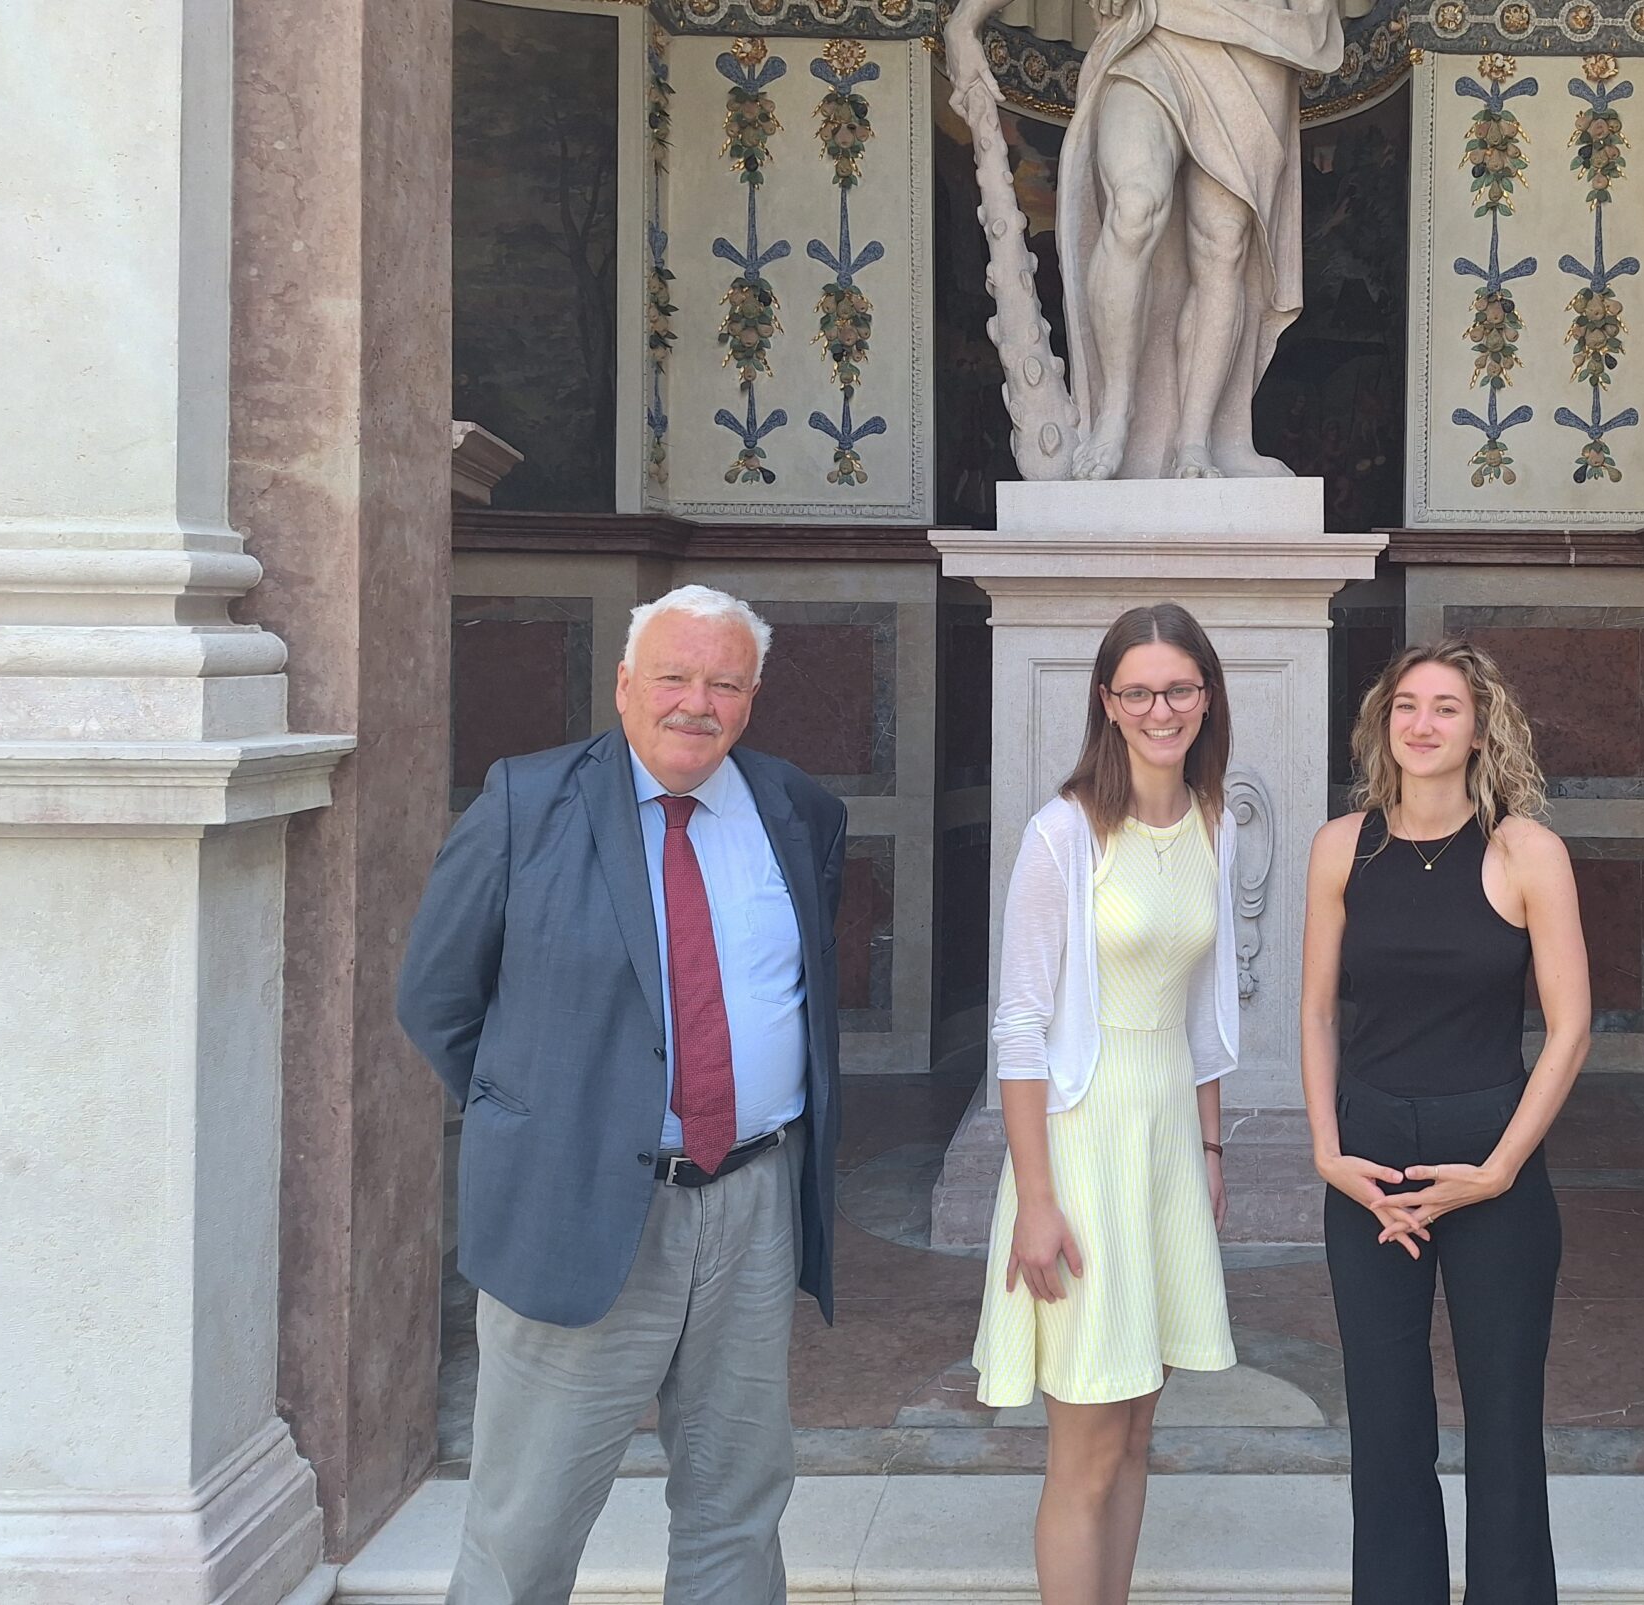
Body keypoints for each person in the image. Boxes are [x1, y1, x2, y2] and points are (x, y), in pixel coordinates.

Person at [396, 584, 851, 1605]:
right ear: (624, 684)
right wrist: (549, 1119)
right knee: (525, 1525)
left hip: (750, 1203)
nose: (697, 702)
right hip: (576, 1204)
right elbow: (437, 997)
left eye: (723, 683)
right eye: (675, 677)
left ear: (752, 695)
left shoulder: (797, 811)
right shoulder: (527, 802)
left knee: (737, 1505)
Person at [1300, 638, 1591, 1605]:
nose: (1423, 724)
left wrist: (1501, 1167)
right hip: (1368, 1162)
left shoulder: (1526, 851)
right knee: (1385, 1426)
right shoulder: (1341, 846)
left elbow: (1570, 1025)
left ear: (1480, 729)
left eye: (1446, 708)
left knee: (1505, 1423)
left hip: (1493, 1159)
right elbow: (1313, 1009)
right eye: (1406, 707)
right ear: (1385, 724)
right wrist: (1329, 1151)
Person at [971, 602, 1243, 1605]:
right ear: (1107, 703)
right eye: (1138, 691)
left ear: (1206, 698)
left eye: (1177, 688)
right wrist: (1035, 1200)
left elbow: (1206, 1012)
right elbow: (1019, 1027)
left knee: (1136, 1435)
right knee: (1085, 1443)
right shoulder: (1063, 832)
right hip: (1082, 1149)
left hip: (1165, 1139)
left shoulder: (1215, 819)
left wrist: (1211, 1152)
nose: (1159, 708)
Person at [942, 0, 1342, 480]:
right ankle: (1115, 412)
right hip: (1148, 31)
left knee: (1223, 244)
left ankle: (1196, 442)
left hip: (1254, 35)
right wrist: (965, 21)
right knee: (1133, 207)